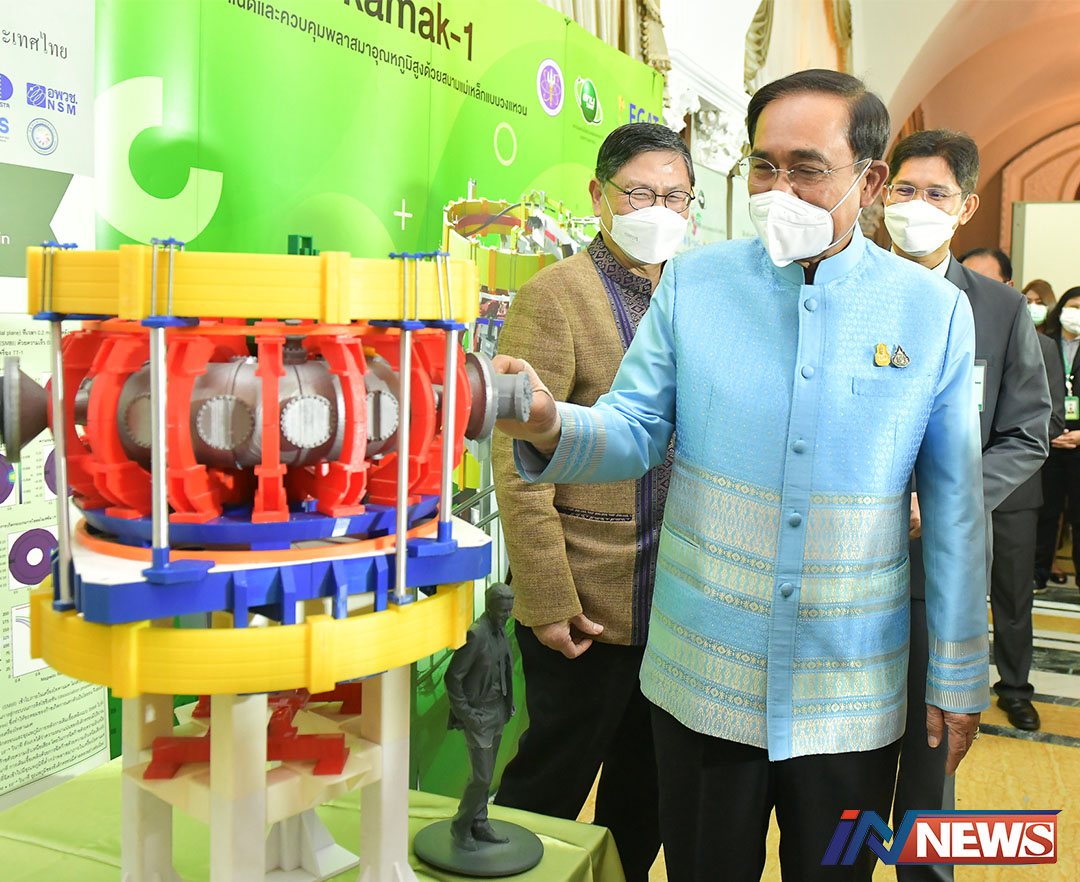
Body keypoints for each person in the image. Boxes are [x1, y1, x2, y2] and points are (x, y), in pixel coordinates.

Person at [495, 69, 989, 882]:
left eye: (807, 168)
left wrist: (959, 671)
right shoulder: (697, 284)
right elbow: (637, 427)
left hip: (848, 689)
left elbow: (955, 507)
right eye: (763, 166)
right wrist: (552, 423)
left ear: (868, 182)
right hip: (703, 674)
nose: (778, 190)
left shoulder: (930, 312)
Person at [492, 122, 692, 882]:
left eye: (675, 196)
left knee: (647, 793)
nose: (658, 210)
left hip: (676, 603)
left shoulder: (694, 294)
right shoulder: (555, 296)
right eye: (640, 193)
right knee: (550, 780)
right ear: (598, 195)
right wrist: (546, 596)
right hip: (587, 600)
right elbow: (518, 459)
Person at [883, 128, 1051, 881]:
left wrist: (952, 499)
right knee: (841, 762)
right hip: (837, 566)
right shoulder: (841, 288)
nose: (916, 206)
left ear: (966, 207)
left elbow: (1027, 433)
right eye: (904, 190)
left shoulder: (1000, 309)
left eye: (936, 194)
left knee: (928, 764)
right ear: (878, 192)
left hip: (937, 572)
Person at [445, 582, 516, 851]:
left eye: (509, 610)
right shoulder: (476, 634)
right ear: (489, 607)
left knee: (487, 772)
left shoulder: (501, 630)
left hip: (498, 712)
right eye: (502, 611)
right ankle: (461, 824)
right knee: (482, 778)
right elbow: (453, 677)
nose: (506, 615)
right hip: (479, 716)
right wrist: (467, 714)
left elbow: (504, 668)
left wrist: (508, 702)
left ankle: (480, 822)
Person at [1035, 287, 1080, 593]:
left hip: (1078, 442)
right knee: (1046, 513)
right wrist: (1049, 432)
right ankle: (1039, 572)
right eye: (1073, 306)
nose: (1076, 313)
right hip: (1048, 440)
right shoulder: (1045, 342)